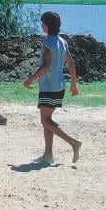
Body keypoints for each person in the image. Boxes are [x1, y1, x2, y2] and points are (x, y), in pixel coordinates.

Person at [23, 11, 81, 165]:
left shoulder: (47, 43)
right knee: (47, 120)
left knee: (45, 121)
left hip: (49, 87)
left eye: (42, 23)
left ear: (46, 25)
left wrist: (30, 79)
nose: (41, 25)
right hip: (59, 87)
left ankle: (73, 143)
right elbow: (71, 63)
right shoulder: (63, 41)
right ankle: (48, 155)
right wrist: (74, 84)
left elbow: (45, 66)